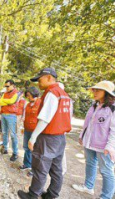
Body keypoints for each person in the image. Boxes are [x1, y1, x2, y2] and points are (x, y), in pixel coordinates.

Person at [18, 68, 72, 199]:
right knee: (56, 170)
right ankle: (52, 195)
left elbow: (45, 118)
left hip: (48, 137)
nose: (38, 83)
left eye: (40, 79)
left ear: (48, 77)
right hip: (60, 138)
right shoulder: (64, 94)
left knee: (40, 168)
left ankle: (33, 195)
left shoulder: (52, 93)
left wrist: (33, 137)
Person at [72, 81, 115, 199]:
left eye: (98, 90)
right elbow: (88, 122)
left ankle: (105, 197)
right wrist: (82, 136)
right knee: (90, 164)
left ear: (106, 92)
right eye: (94, 90)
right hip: (90, 142)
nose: (94, 92)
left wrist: (110, 147)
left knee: (106, 171)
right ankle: (88, 187)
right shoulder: (95, 104)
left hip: (105, 145)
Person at [19, 87, 41, 177]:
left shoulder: (40, 103)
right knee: (26, 147)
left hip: (35, 130)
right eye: (27, 95)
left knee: (34, 149)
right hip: (27, 128)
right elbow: (25, 116)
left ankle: (34, 168)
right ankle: (27, 163)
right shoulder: (28, 105)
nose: (28, 97)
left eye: (29, 95)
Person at [0, 79, 19, 161]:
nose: (6, 88)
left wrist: (5, 101)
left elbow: (12, 101)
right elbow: (0, 102)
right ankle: (5, 148)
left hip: (11, 115)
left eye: (7, 86)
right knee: (4, 132)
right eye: (5, 86)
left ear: (13, 85)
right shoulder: (4, 93)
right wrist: (6, 101)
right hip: (3, 114)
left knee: (13, 135)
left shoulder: (16, 93)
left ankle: (15, 152)